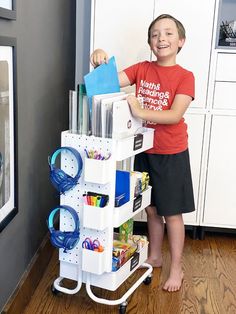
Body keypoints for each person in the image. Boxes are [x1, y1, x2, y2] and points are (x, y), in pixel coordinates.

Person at [90, 14, 195, 292]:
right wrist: (98, 58)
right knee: (150, 208)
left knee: (171, 212)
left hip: (171, 153)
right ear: (150, 42)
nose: (162, 38)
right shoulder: (141, 68)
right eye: (156, 34)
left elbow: (173, 115)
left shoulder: (186, 77)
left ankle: (177, 267)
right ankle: (156, 256)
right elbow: (107, 82)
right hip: (143, 149)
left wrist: (138, 110)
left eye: (169, 33)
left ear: (181, 41)